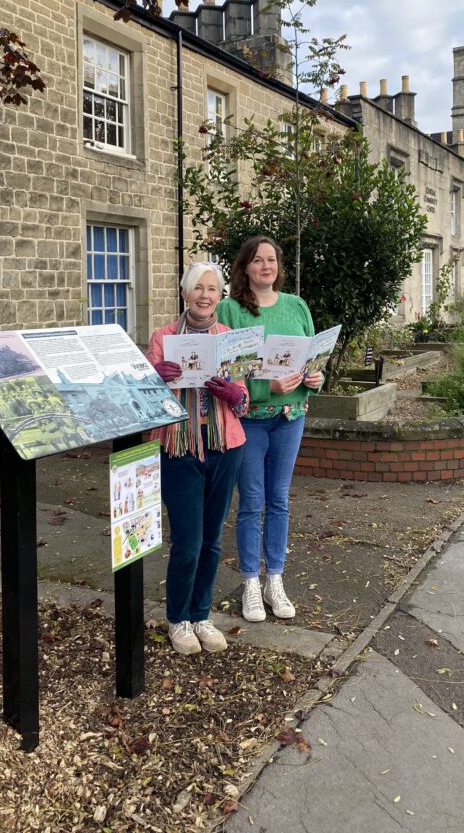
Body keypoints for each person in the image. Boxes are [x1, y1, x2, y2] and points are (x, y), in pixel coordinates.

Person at [217, 236, 323, 623]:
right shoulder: (230, 309)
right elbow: (225, 371)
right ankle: (249, 582)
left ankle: (274, 579)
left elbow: (314, 358)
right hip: (250, 421)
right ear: (245, 267)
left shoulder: (296, 306)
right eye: (258, 260)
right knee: (251, 502)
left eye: (272, 259)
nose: (267, 266)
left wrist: (316, 378)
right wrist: (266, 387)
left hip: (290, 418)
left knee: (279, 500)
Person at [147, 262, 249, 655]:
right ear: (185, 293)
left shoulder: (230, 338)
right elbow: (146, 399)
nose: (205, 295)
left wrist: (232, 393)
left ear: (220, 296)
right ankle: (178, 619)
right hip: (178, 448)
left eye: (212, 289)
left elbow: (244, 402)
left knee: (211, 541)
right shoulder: (163, 337)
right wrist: (157, 375)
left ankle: (201, 614)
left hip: (225, 448)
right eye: (198, 288)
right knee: (187, 541)